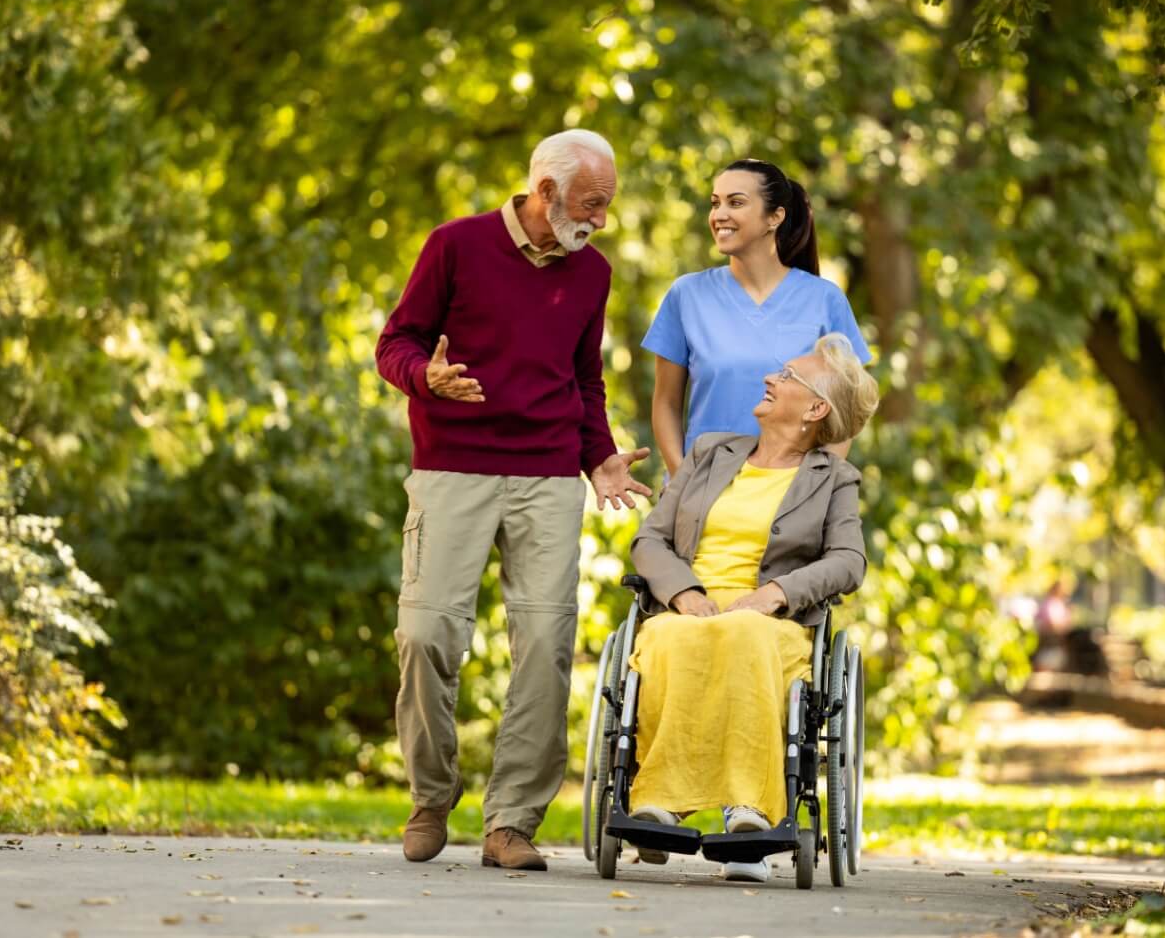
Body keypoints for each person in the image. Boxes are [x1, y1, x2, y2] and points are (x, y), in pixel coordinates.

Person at [375, 129, 652, 871]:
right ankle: (432, 796)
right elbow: (396, 342)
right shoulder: (455, 245)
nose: (600, 220)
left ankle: (511, 823)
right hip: (453, 468)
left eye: (606, 205)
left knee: (546, 644)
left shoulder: (592, 272)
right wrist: (424, 378)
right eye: (592, 203)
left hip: (547, 477)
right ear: (547, 190)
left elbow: (583, 379)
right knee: (426, 634)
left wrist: (599, 459)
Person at [626, 334, 879, 882]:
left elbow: (849, 561)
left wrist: (775, 594)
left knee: (743, 632)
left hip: (772, 622)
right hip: (690, 609)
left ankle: (751, 809)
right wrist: (685, 593)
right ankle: (659, 801)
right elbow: (650, 540)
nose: (770, 378)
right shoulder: (709, 452)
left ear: (815, 410)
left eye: (787, 376)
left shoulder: (834, 479)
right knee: (666, 636)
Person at [642, 158, 872, 475]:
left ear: (775, 217)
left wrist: (815, 485)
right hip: (702, 487)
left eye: (735, 202)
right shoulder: (687, 295)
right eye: (715, 203)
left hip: (790, 493)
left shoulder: (824, 299)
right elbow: (666, 403)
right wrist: (683, 482)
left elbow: (846, 409)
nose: (719, 215)